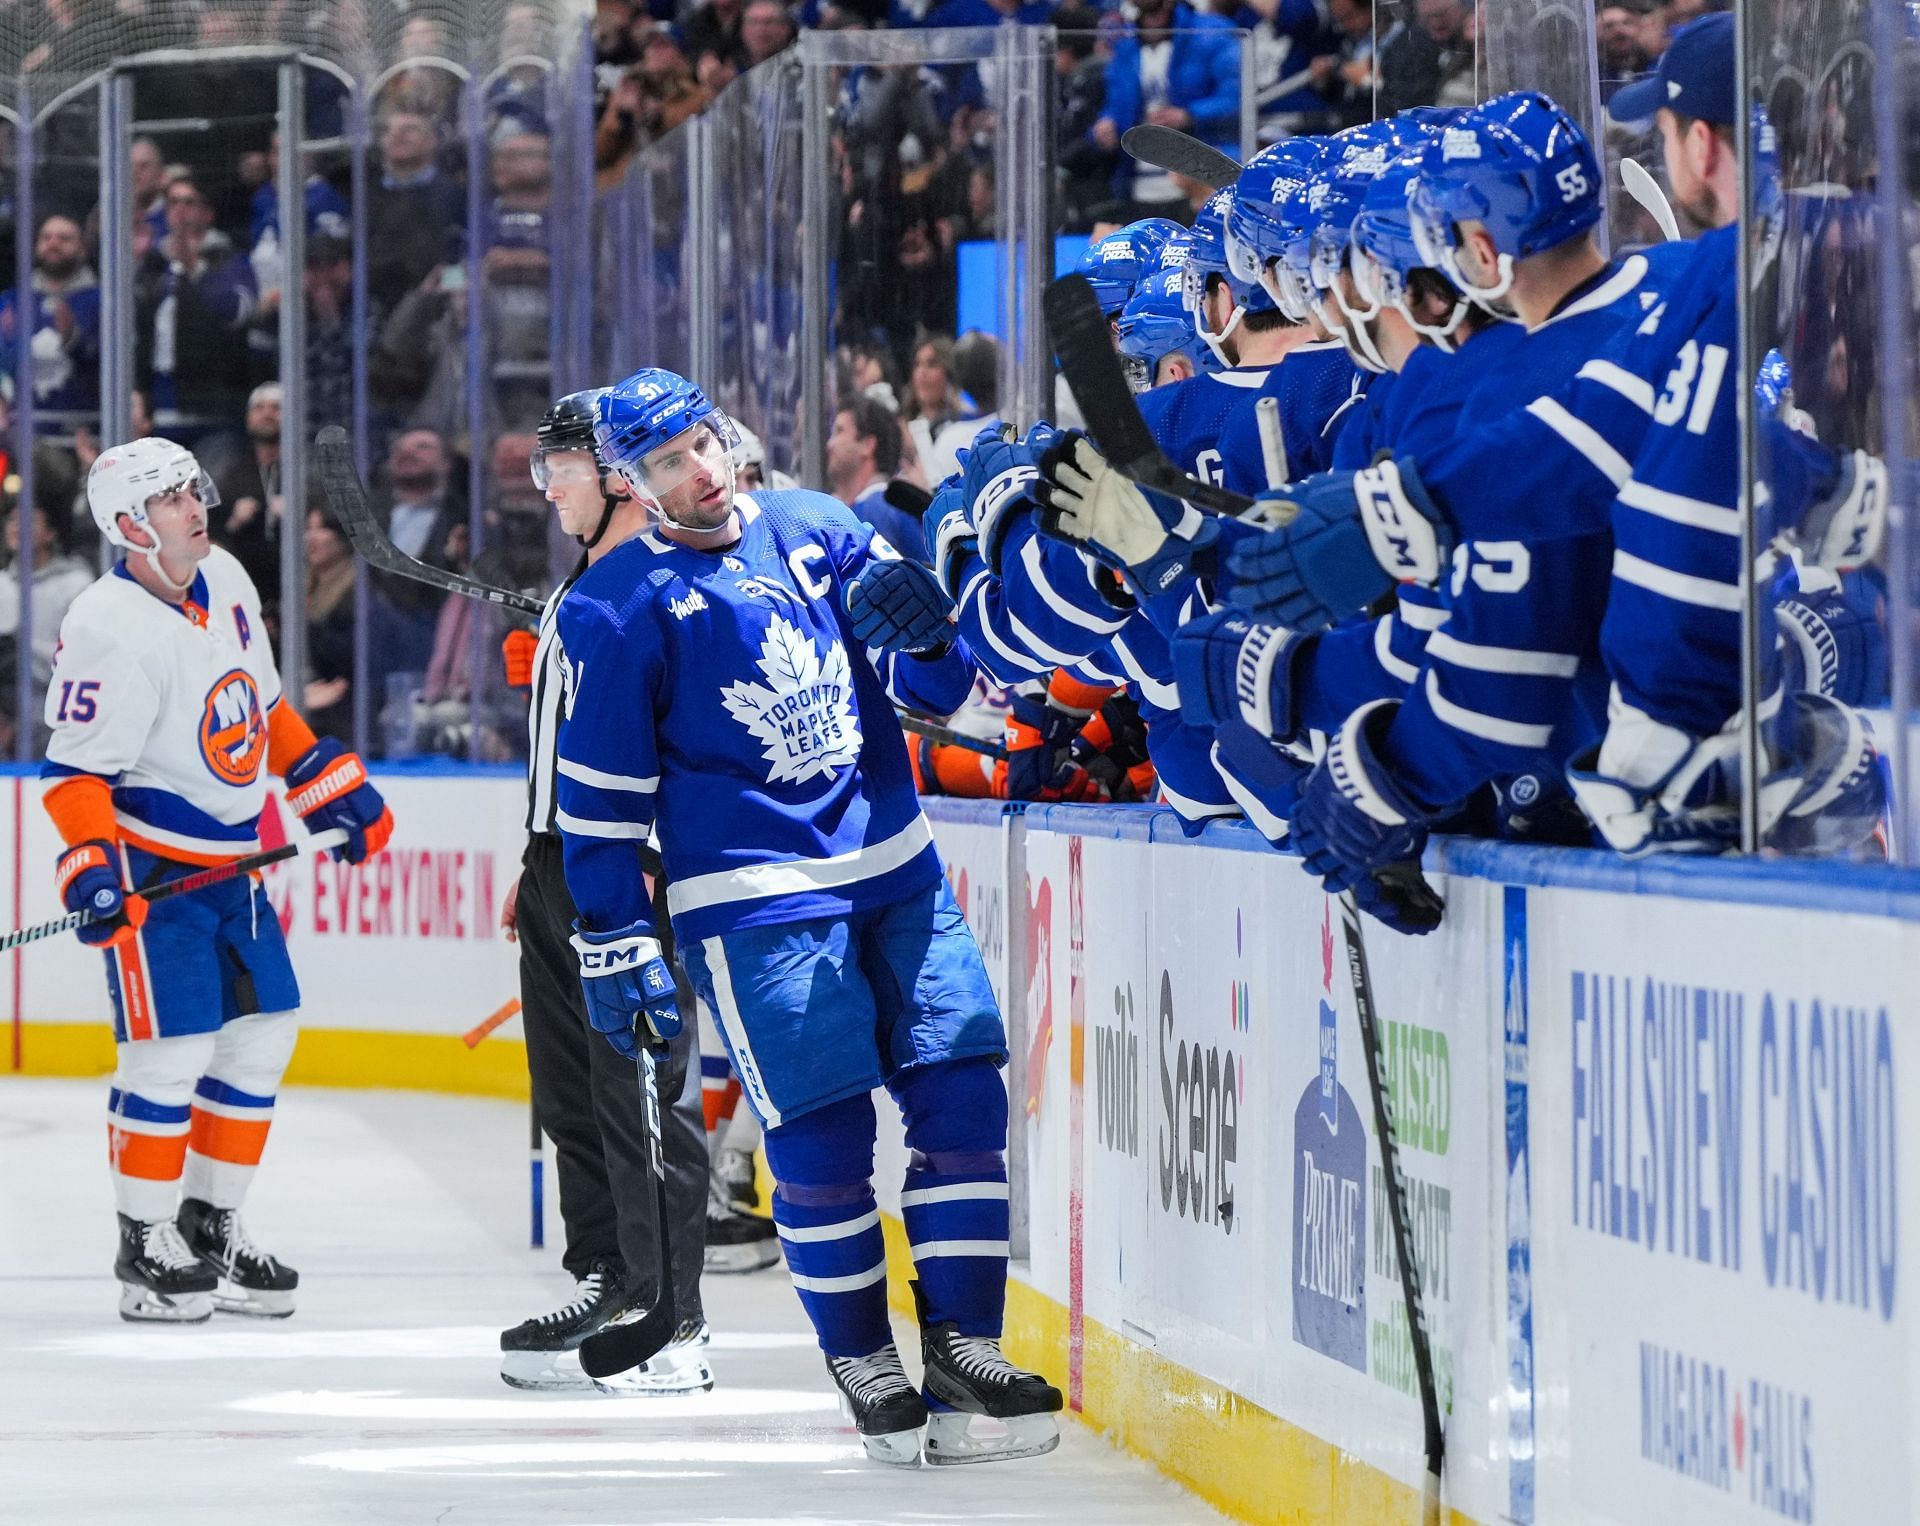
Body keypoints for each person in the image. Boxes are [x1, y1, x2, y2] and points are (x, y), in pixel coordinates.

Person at [552, 368, 1062, 1465]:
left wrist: (931, 639)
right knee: (823, 1133)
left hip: (897, 864)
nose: (695, 474)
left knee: (963, 1094)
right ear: (632, 486)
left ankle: (966, 1342)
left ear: (726, 435)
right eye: (662, 464)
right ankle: (864, 1354)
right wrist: (615, 935)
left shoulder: (815, 527)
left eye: (701, 444)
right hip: (755, 902)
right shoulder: (612, 608)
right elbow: (594, 816)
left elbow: (936, 683)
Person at [41, 437, 393, 1323]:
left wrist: (325, 786)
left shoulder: (227, 578)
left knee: (264, 1034)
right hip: (158, 874)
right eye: (170, 500)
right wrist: (91, 870)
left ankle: (211, 1224)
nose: (196, 506)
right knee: (165, 1057)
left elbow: (262, 706)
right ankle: (145, 1241)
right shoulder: (102, 624)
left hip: (236, 869)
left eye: (194, 490)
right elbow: (76, 774)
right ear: (127, 524)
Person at [495, 390, 721, 1394]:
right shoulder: (580, 584)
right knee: (575, 1090)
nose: (548, 491)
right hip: (561, 866)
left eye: (561, 470)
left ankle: (677, 1318)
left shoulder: (659, 584)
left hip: (632, 867)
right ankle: (607, 1275)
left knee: (645, 1094)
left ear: (618, 473)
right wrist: (534, 864)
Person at [0, 213, 101, 433]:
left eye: (64, 239)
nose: (53, 243)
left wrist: (72, 337)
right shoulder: (12, 301)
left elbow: (103, 361)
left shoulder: (101, 300)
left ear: (82, 249)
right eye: (46, 238)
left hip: (82, 431)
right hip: (21, 431)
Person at [828, 396, 925, 561]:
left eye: (840, 431)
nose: (830, 444)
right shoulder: (883, 504)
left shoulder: (876, 508)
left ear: (868, 445)